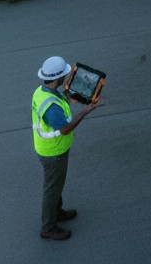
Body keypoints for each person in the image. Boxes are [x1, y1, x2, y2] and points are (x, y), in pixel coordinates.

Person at [31, 55, 102, 240]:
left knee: (56, 185)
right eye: (65, 75)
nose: (67, 78)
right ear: (59, 78)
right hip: (53, 152)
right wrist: (85, 111)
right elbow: (64, 129)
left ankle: (57, 212)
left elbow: (61, 99)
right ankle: (48, 227)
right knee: (52, 188)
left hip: (50, 149)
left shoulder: (43, 91)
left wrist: (77, 96)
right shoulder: (51, 107)